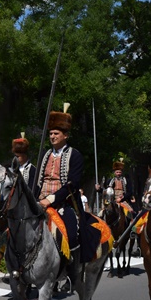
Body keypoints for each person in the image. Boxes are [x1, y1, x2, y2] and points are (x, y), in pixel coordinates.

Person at [35, 104, 97, 288]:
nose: (53, 136)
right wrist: (34, 200)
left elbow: (72, 184)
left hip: (65, 202)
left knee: (71, 230)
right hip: (40, 200)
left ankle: (72, 272)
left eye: (56, 134)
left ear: (66, 136)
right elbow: (38, 181)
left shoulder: (75, 155)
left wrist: (50, 200)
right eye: (51, 133)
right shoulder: (44, 154)